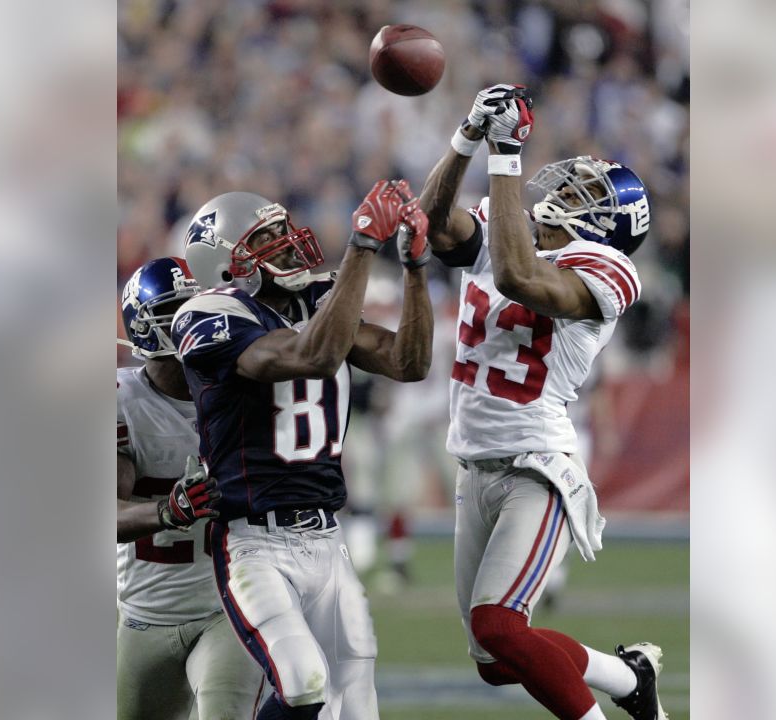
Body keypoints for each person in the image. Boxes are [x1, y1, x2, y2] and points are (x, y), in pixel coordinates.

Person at [418, 84, 667, 720]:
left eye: (585, 195)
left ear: (608, 223)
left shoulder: (605, 267)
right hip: (474, 467)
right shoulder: (513, 231)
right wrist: (467, 137)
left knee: (502, 625)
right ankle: (629, 676)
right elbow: (431, 223)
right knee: (497, 659)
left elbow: (517, 277)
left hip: (536, 465)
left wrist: (506, 155)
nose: (562, 193)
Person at [172, 181, 433, 720]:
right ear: (226, 265)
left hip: (326, 536)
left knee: (357, 708)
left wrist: (414, 269)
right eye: (265, 238)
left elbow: (408, 363)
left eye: (284, 229)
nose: (288, 243)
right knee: (304, 682)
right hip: (253, 542)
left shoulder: (314, 298)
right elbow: (311, 355)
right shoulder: (206, 317)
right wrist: (362, 246)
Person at [116, 257, 267, 720]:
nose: (187, 324)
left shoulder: (241, 387)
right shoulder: (122, 399)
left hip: (230, 605)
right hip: (146, 611)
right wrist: (168, 510)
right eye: (172, 313)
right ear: (144, 329)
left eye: (193, 308)